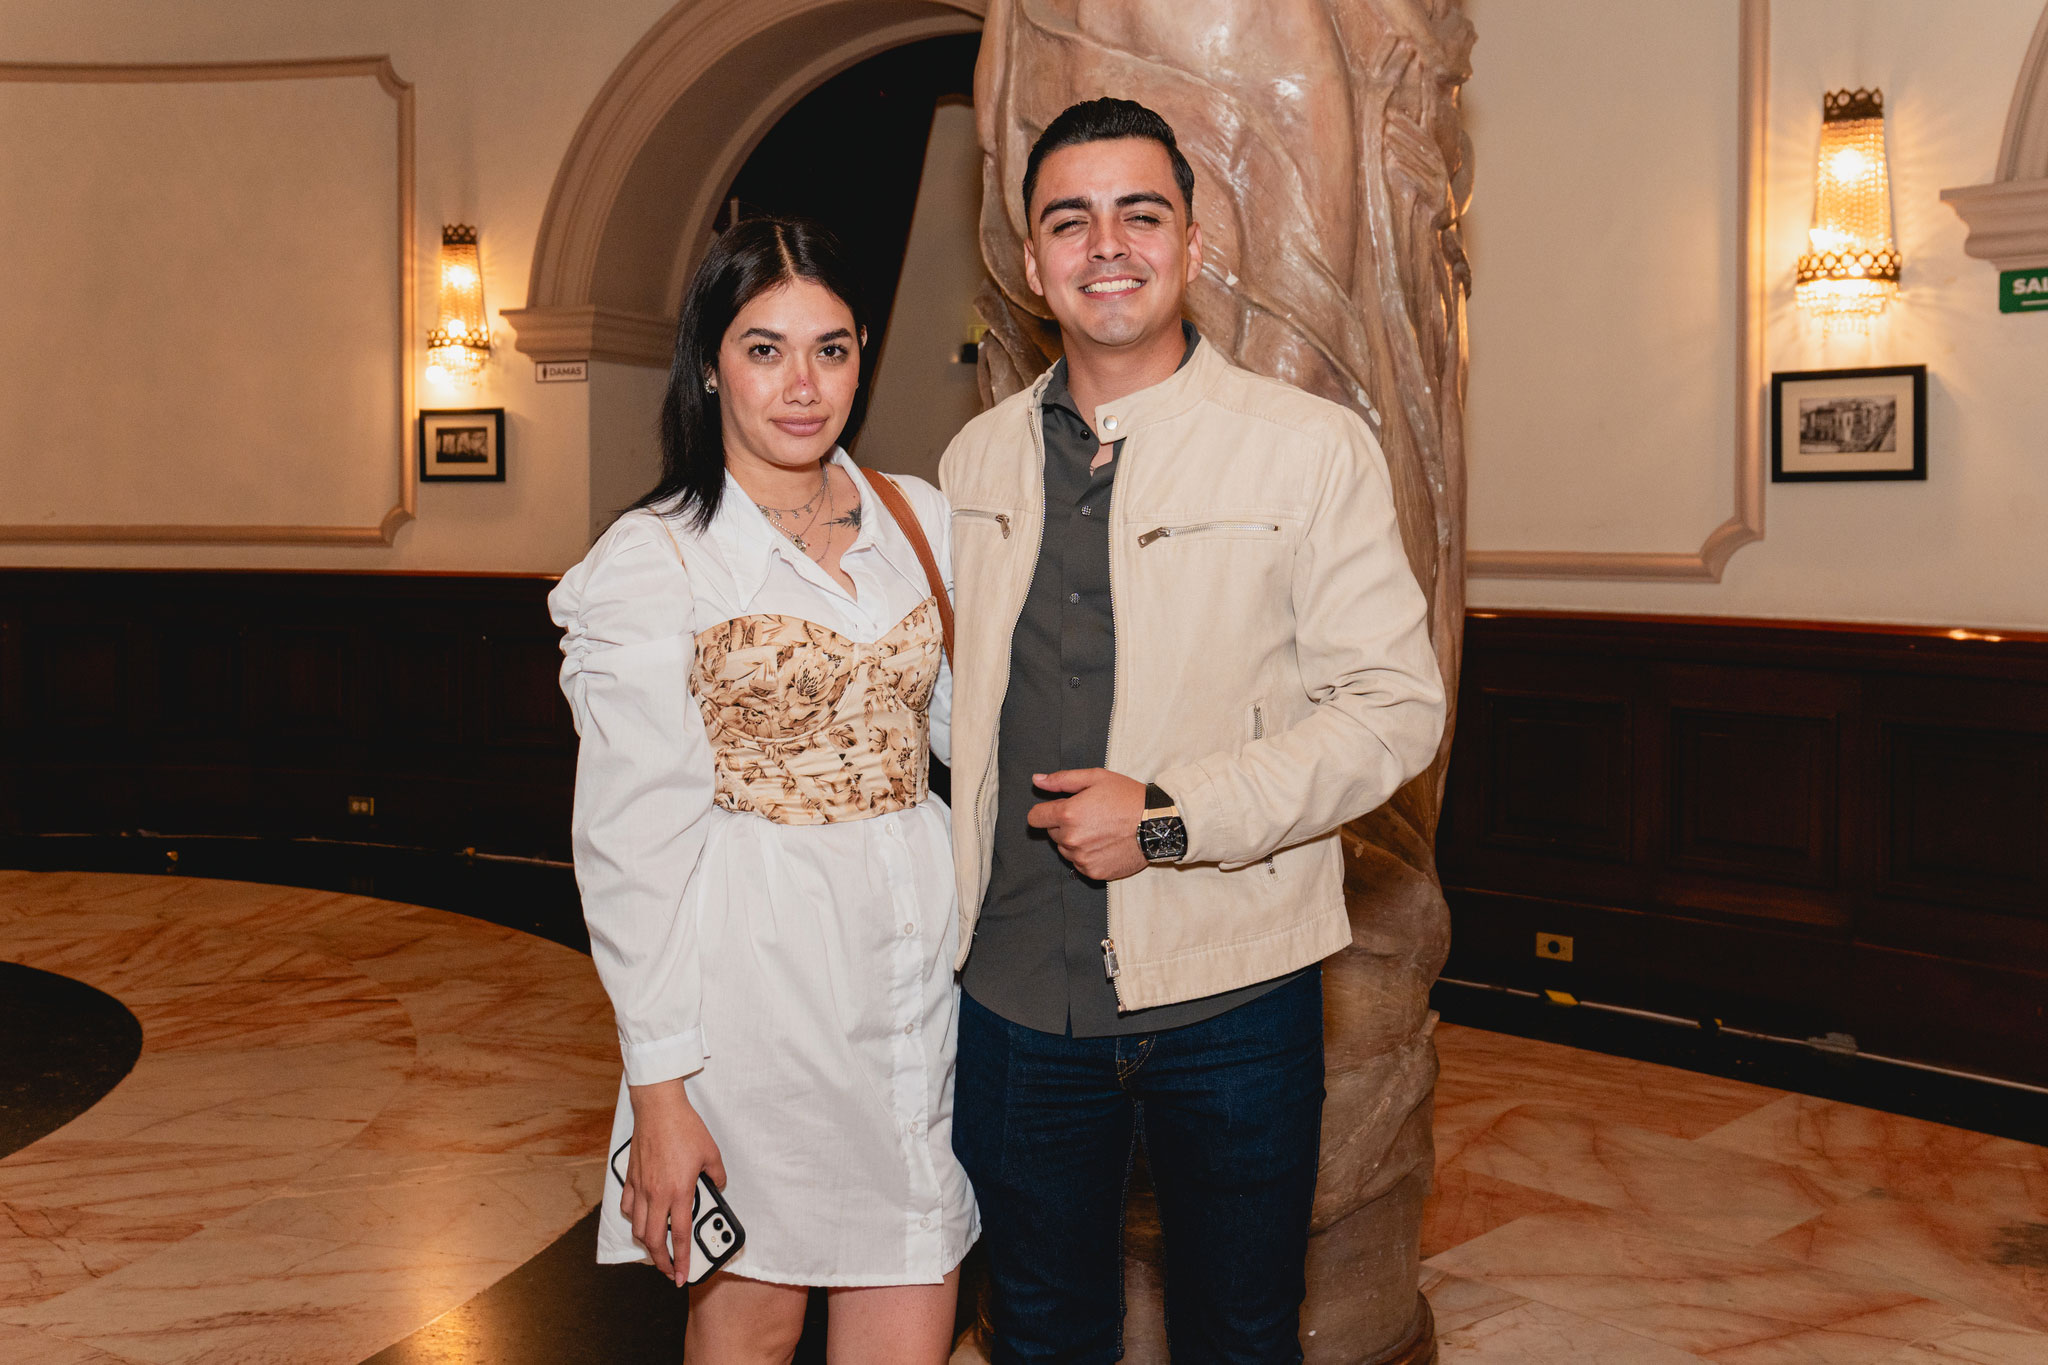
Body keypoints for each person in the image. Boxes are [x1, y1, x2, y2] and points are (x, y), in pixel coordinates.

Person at [940, 99, 1446, 1362]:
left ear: (1192, 241)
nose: (1106, 245)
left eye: (1139, 213)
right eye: (1069, 220)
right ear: (1031, 258)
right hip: (1010, 995)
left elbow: (1393, 709)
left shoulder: (1307, 450)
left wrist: (1167, 819)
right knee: (1037, 1332)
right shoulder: (972, 462)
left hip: (1232, 995)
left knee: (1237, 1334)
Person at [550, 216, 975, 1365]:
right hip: (753, 987)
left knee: (913, 1283)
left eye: (830, 350)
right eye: (764, 349)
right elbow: (631, 848)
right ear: (708, 364)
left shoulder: (916, 518)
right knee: (754, 1318)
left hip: (918, 975)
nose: (802, 385)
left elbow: (967, 732)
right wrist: (661, 1092)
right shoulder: (658, 557)